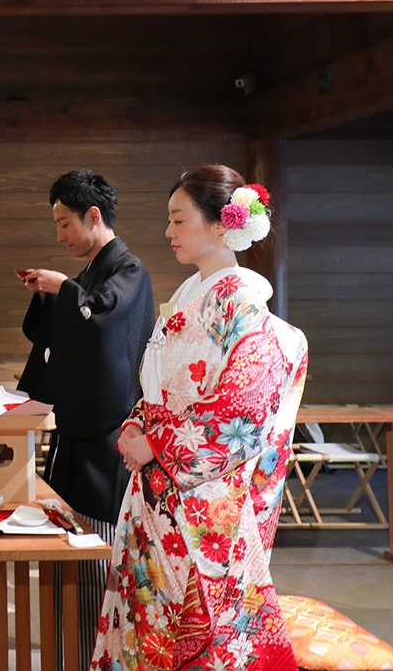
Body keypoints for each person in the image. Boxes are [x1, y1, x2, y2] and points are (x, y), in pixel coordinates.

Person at [92, 166, 307, 670]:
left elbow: (243, 411)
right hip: (156, 493)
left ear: (219, 225)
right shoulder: (191, 294)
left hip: (201, 502)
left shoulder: (243, 302)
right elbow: (160, 387)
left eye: (179, 220)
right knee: (144, 622)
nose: (168, 233)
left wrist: (158, 443)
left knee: (197, 631)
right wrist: (136, 424)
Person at [16, 170, 155, 664]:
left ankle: (96, 653)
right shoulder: (93, 273)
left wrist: (66, 291)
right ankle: (71, 649)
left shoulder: (129, 271)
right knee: (68, 546)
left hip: (107, 435)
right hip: (77, 430)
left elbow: (102, 326)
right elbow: (71, 325)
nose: (60, 235)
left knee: (96, 555)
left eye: (64, 224)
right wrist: (51, 294)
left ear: (93, 216)